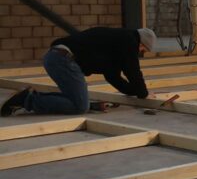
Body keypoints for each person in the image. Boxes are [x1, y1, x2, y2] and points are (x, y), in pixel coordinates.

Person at [1, 27, 157, 117]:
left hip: (56, 57)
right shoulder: (129, 40)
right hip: (64, 60)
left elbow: (113, 77)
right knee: (79, 107)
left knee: (78, 102)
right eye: (143, 50)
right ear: (140, 43)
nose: (140, 53)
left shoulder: (116, 43)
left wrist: (135, 92)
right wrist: (143, 93)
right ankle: (27, 100)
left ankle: (29, 98)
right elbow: (133, 69)